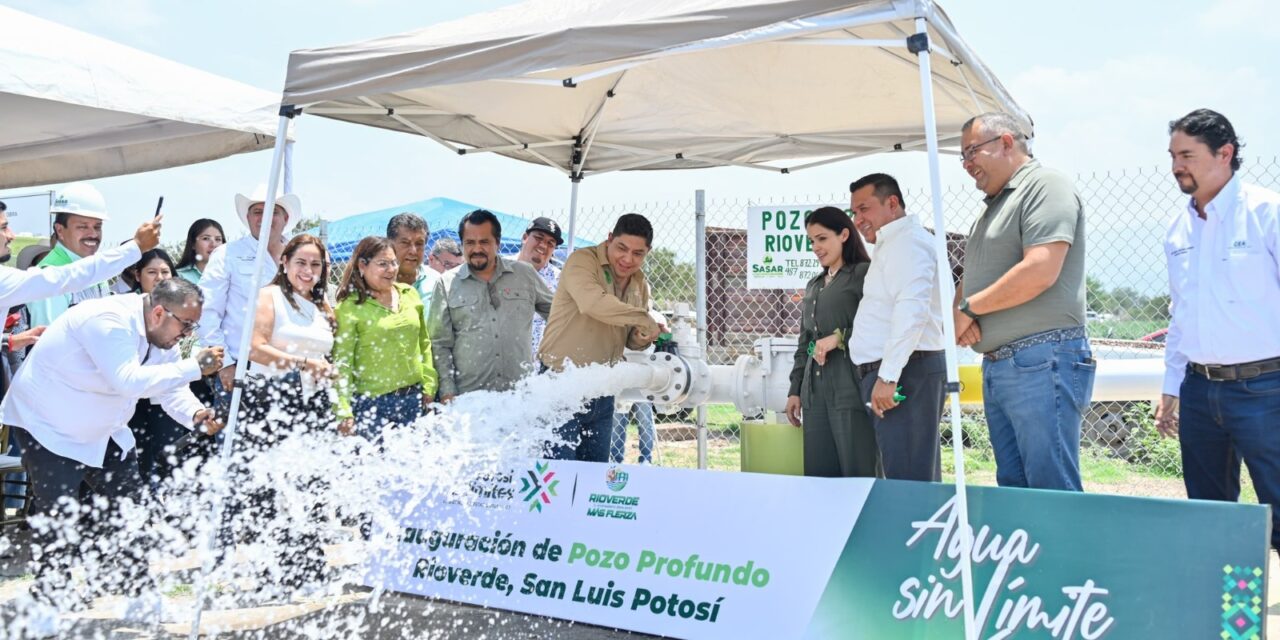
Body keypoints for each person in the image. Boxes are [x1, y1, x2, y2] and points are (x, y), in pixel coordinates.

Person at [0, 278, 223, 628]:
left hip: (105, 431)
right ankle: (46, 605)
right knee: (59, 518)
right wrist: (196, 366)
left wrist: (195, 413)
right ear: (160, 312)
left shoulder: (160, 333)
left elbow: (168, 388)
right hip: (48, 427)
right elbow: (129, 381)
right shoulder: (107, 319)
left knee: (132, 513)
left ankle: (140, 595)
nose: (188, 333)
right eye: (186, 324)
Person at [1157, 109, 1280, 554]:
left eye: (1187, 155)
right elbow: (1180, 315)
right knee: (1209, 515)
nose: (1176, 166)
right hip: (1199, 391)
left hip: (1266, 388)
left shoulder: (1268, 212)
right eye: (1172, 155)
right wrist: (1172, 387)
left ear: (1224, 153)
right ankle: (1222, 613)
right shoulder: (1177, 228)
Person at [953, 112, 1094, 492]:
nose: (966, 164)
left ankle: (1064, 555)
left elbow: (1040, 269)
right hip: (1006, 364)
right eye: (961, 156)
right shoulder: (996, 203)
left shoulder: (1046, 186)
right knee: (1015, 488)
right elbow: (976, 272)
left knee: (1051, 488)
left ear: (1006, 142)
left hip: (1041, 358)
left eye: (971, 151)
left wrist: (969, 309)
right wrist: (959, 310)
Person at [239, 234, 336, 592]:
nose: (308, 271)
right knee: (271, 486)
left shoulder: (322, 304)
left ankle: (307, 559)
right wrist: (303, 363)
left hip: (313, 402)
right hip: (273, 400)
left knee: (309, 483)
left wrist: (324, 369)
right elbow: (255, 348)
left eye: (315, 264)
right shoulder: (268, 297)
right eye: (301, 263)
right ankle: (273, 566)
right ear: (284, 263)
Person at [538, 214, 664, 462]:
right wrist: (641, 317)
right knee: (557, 480)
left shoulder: (640, 284)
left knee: (594, 481)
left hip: (602, 390)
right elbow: (593, 303)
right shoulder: (581, 261)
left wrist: (643, 335)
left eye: (638, 253)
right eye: (622, 248)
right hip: (561, 383)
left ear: (647, 252)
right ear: (609, 239)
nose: (628, 259)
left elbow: (630, 338)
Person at [848, 174, 947, 482]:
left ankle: (917, 531)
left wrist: (888, 376)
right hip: (901, 369)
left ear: (892, 203)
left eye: (864, 208)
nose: (858, 219)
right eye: (854, 212)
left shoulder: (908, 243)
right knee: (907, 473)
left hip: (905, 372)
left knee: (909, 480)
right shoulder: (893, 243)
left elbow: (911, 311)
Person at [784, 206, 876, 478]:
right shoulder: (814, 285)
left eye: (822, 238)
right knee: (819, 476)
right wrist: (795, 390)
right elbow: (807, 342)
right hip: (815, 393)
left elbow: (881, 325)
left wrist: (840, 337)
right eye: (811, 240)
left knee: (858, 470)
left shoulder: (864, 274)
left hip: (852, 387)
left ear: (844, 235)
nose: (815, 247)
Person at [429, 210, 552, 401]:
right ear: (462, 245)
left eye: (484, 242)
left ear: (498, 243)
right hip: (469, 400)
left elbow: (558, 315)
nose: (477, 248)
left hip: (520, 397)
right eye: (470, 242)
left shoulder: (524, 275)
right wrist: (447, 391)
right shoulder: (446, 284)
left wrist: (552, 364)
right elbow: (439, 343)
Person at [197, 185, 300, 405]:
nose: (264, 218)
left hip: (292, 372)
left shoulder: (299, 256)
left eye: (273, 211)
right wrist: (224, 365)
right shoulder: (227, 254)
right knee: (238, 439)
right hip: (241, 372)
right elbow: (207, 312)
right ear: (248, 217)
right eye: (257, 211)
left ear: (286, 218)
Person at [333, 236, 437, 439]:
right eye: (382, 264)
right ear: (362, 266)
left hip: (414, 400)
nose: (391, 270)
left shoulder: (409, 295)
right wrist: (344, 411)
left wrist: (429, 385)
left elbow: (424, 344)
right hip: (372, 407)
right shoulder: (349, 308)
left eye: (393, 263)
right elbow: (342, 364)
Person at [119, 249, 191, 488]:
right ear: (137, 275)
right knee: (133, 457)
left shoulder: (180, 312)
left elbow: (174, 378)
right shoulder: (124, 311)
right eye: (152, 272)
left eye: (165, 272)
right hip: (126, 402)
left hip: (164, 401)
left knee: (165, 455)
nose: (159, 277)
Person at [28, 183, 115, 327]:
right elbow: (49, 344)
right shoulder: (49, 278)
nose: (93, 234)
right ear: (60, 231)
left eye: (97, 227)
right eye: (82, 226)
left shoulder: (96, 269)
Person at [515, 216, 564, 357]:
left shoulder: (561, 281)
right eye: (538, 238)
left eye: (550, 243)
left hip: (542, 367)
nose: (543, 245)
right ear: (525, 237)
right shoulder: (500, 269)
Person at [387, 212, 438, 308]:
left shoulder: (437, 282)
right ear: (389, 244)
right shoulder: (377, 283)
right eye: (405, 243)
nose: (413, 251)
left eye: (419, 243)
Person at [175, 218, 226, 284]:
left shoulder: (232, 275)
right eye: (206, 238)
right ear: (193, 244)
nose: (213, 244)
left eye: (218, 239)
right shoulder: (178, 277)